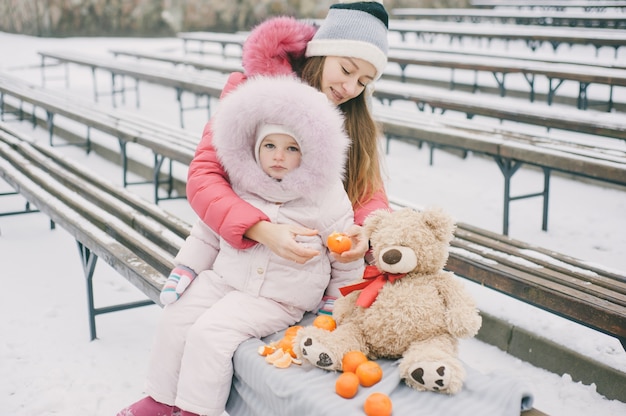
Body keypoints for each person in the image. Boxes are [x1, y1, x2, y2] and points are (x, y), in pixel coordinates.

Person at [118, 75, 366, 416]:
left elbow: (345, 258)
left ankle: (195, 409)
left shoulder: (324, 195)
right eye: (270, 146)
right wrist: (186, 268)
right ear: (255, 148)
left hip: (277, 297)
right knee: (176, 318)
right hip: (225, 278)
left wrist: (333, 306)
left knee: (210, 334)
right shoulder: (241, 181)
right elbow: (208, 230)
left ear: (307, 152)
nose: (279, 156)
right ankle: (160, 398)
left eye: (291, 148)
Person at [186, 0, 390, 267]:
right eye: (346, 70)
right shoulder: (253, 94)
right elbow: (204, 177)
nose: (351, 87)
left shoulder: (352, 117)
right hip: (238, 258)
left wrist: (368, 230)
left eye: (364, 82)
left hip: (309, 265)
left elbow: (367, 191)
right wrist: (259, 228)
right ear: (322, 54)